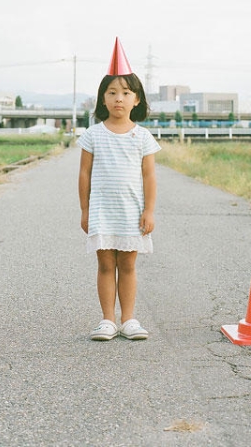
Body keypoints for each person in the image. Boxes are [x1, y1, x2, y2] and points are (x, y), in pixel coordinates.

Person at [77, 38, 161, 341]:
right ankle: (107, 321)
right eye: (111, 93)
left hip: (131, 212)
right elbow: (84, 174)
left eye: (126, 93)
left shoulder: (142, 137)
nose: (118, 99)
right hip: (101, 210)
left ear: (136, 99)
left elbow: (149, 176)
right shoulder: (93, 135)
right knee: (104, 264)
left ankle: (129, 320)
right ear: (102, 99)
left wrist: (149, 210)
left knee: (127, 264)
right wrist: (85, 210)